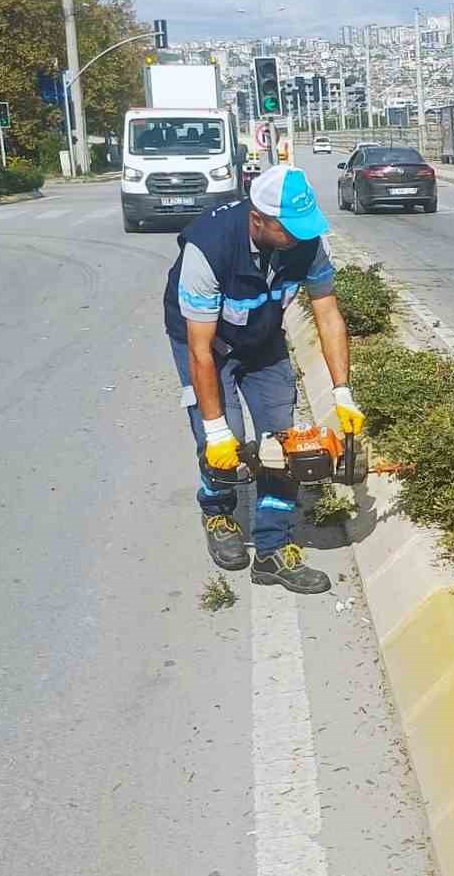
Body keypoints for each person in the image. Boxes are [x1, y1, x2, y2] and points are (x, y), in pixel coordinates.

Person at [163, 165, 365, 595]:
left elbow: (328, 315)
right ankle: (218, 510)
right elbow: (200, 350)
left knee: (288, 443)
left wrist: (343, 393)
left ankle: (272, 549)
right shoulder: (209, 247)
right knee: (224, 441)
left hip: (263, 337)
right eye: (288, 228)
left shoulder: (307, 244)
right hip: (206, 342)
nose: (300, 236)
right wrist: (216, 431)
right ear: (258, 218)